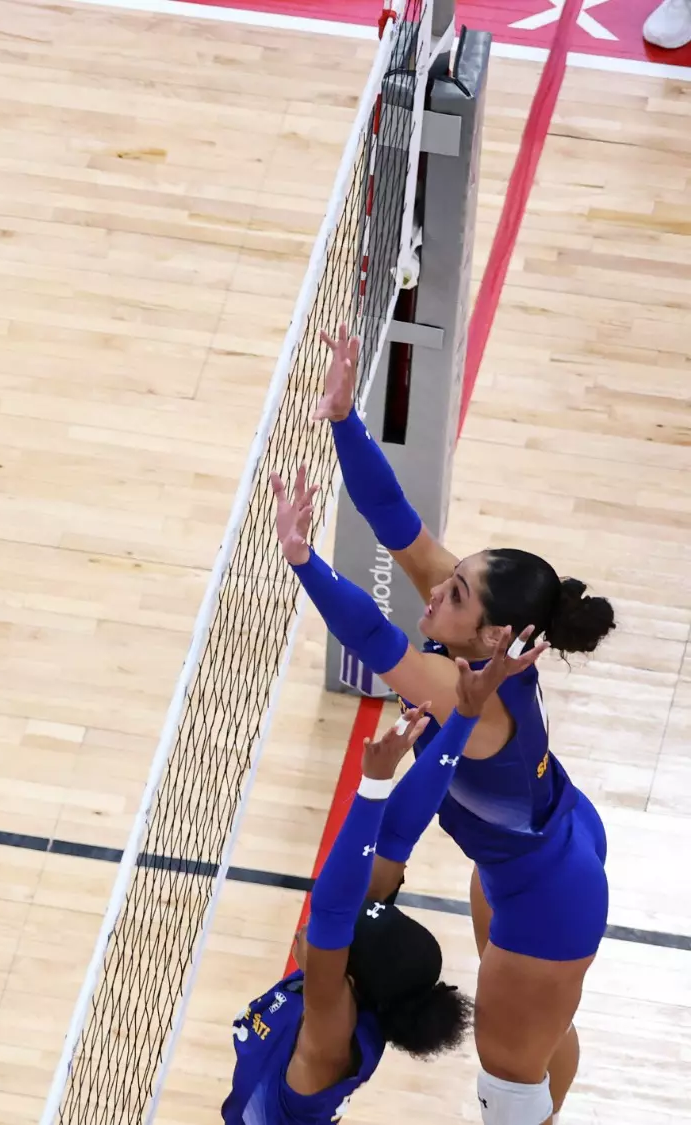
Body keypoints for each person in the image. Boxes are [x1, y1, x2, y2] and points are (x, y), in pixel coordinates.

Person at [267, 326, 617, 1125]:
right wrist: (344, 418)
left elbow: (371, 638)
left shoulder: (470, 691)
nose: (436, 590)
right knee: (535, 1031)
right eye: (454, 578)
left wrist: (302, 560)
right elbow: (395, 519)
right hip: (544, 846)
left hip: (550, 888)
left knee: (507, 1070)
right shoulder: (482, 635)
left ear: (495, 636)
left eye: (455, 593)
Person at [226, 644, 540, 1122]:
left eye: (348, 931)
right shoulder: (356, 986)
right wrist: (463, 721)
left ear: (347, 981)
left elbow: (332, 908)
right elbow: (396, 835)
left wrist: (372, 786)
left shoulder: (327, 1039)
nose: (350, 912)